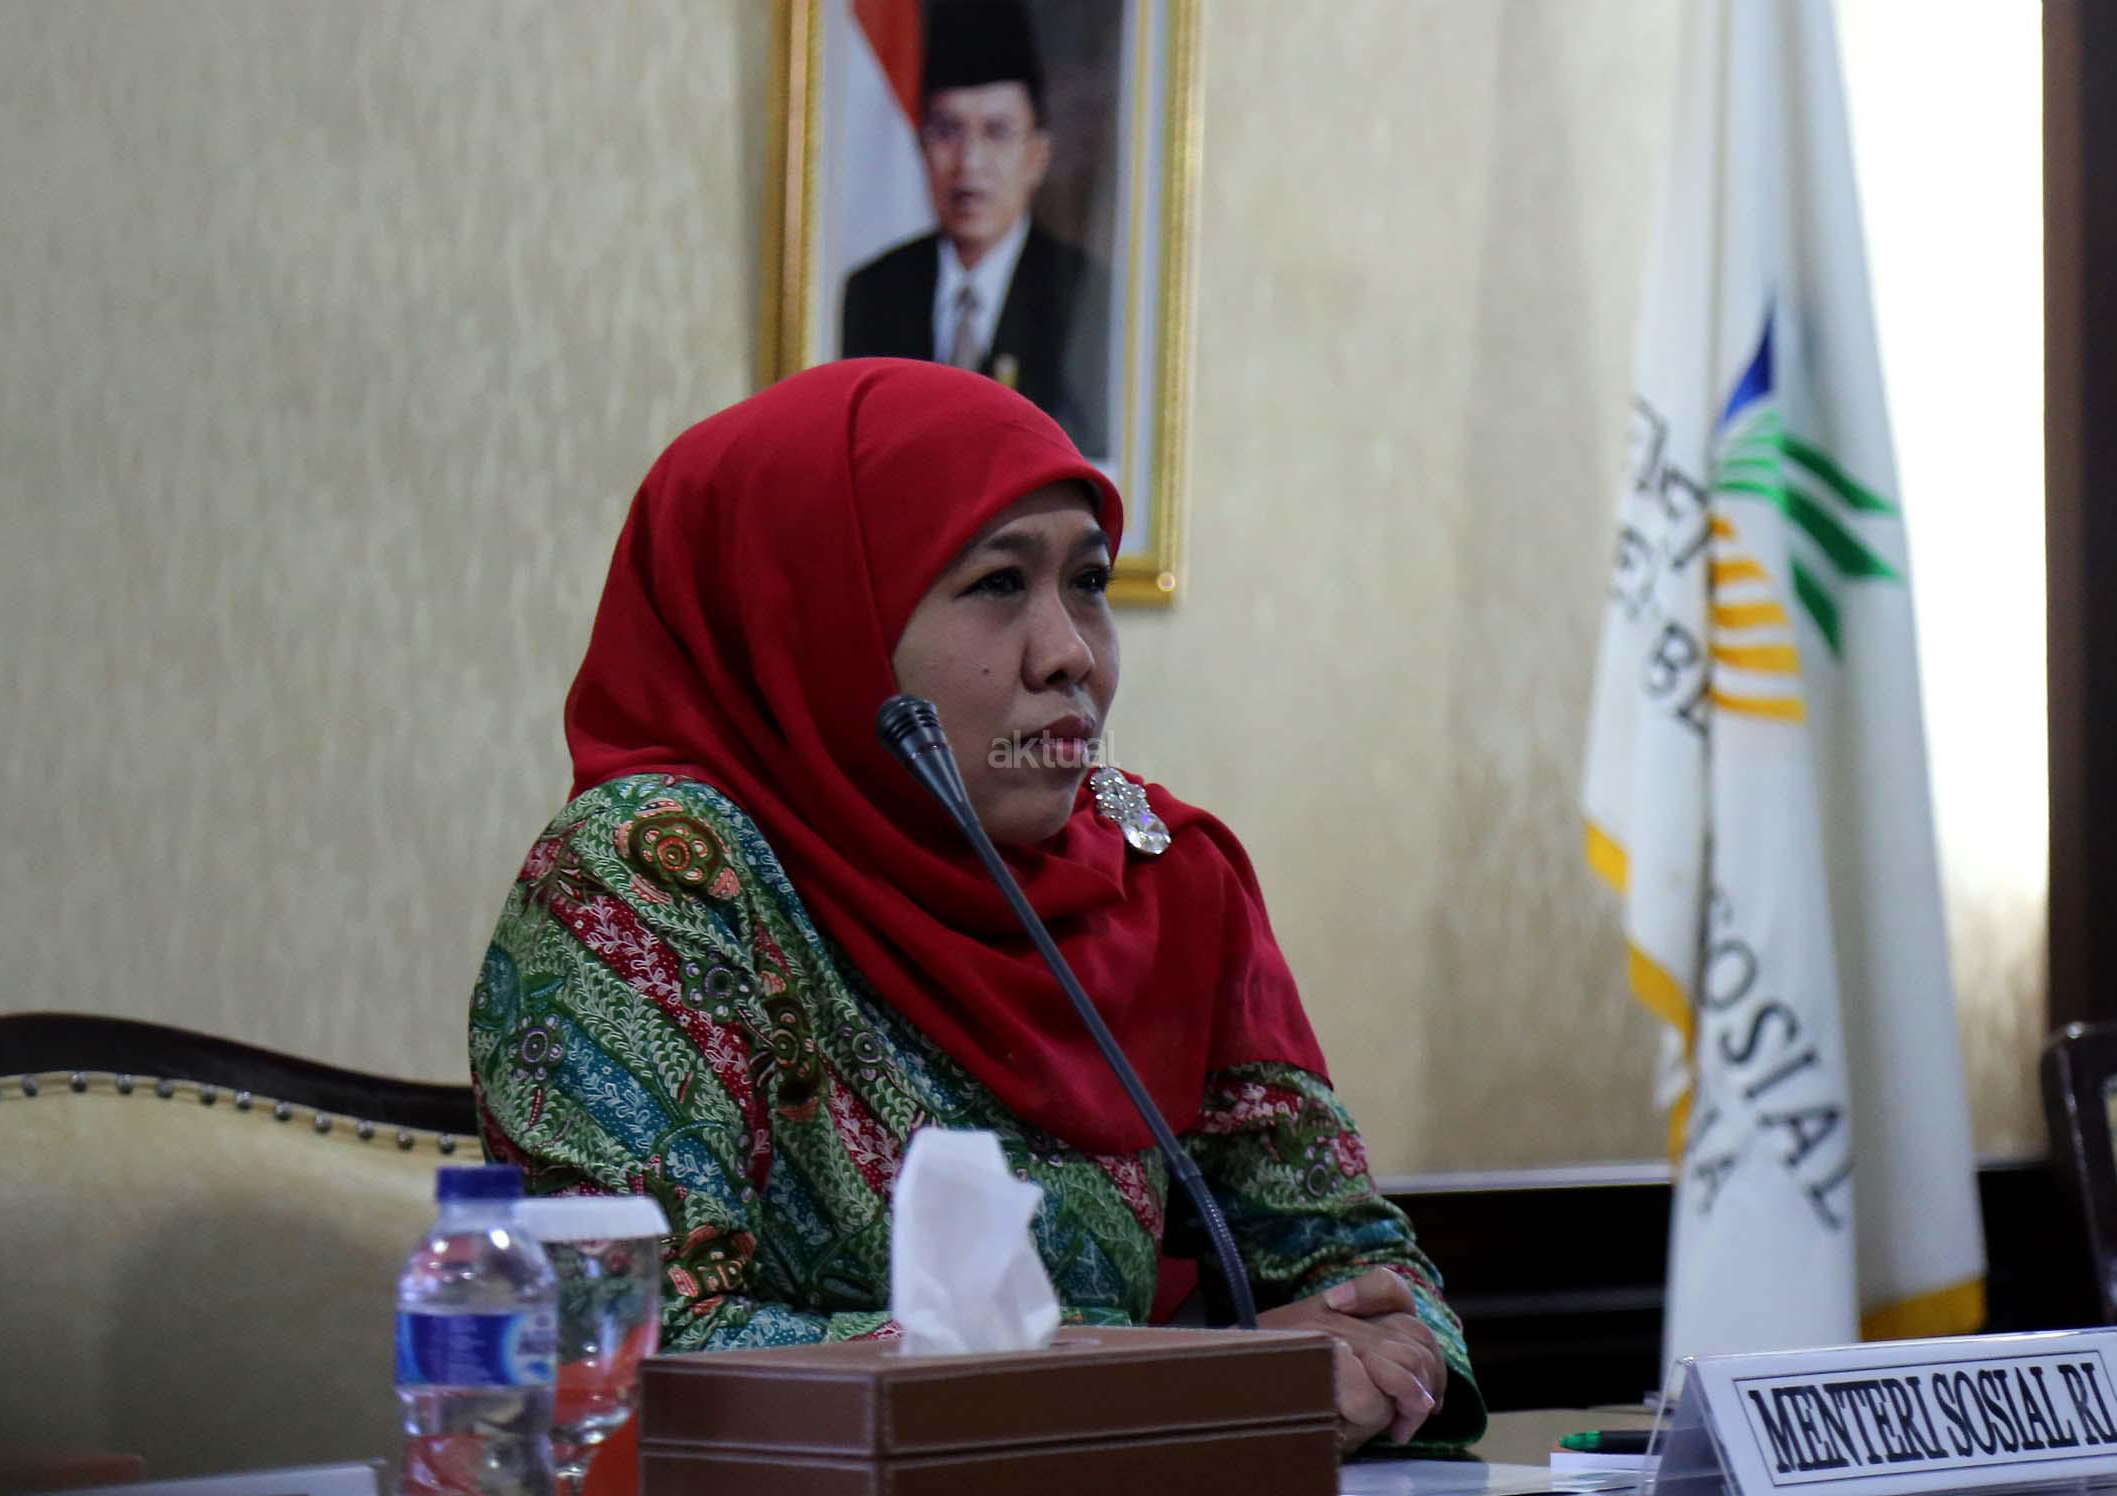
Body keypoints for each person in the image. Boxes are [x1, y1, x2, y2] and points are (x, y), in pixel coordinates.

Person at [470, 359, 1483, 1454]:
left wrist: (1389, 1359)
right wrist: (1168, 1383)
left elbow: (1367, 1274)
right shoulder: (656, 870)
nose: (1071, 654)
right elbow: (630, 1344)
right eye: (1000, 583)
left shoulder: (1160, 873)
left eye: (1087, 581)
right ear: (816, 617)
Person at [839, 0, 1111, 458]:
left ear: (1038, 157)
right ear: (922, 148)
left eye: (997, 132)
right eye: (948, 131)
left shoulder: (1086, 296)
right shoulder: (874, 291)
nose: (970, 162)